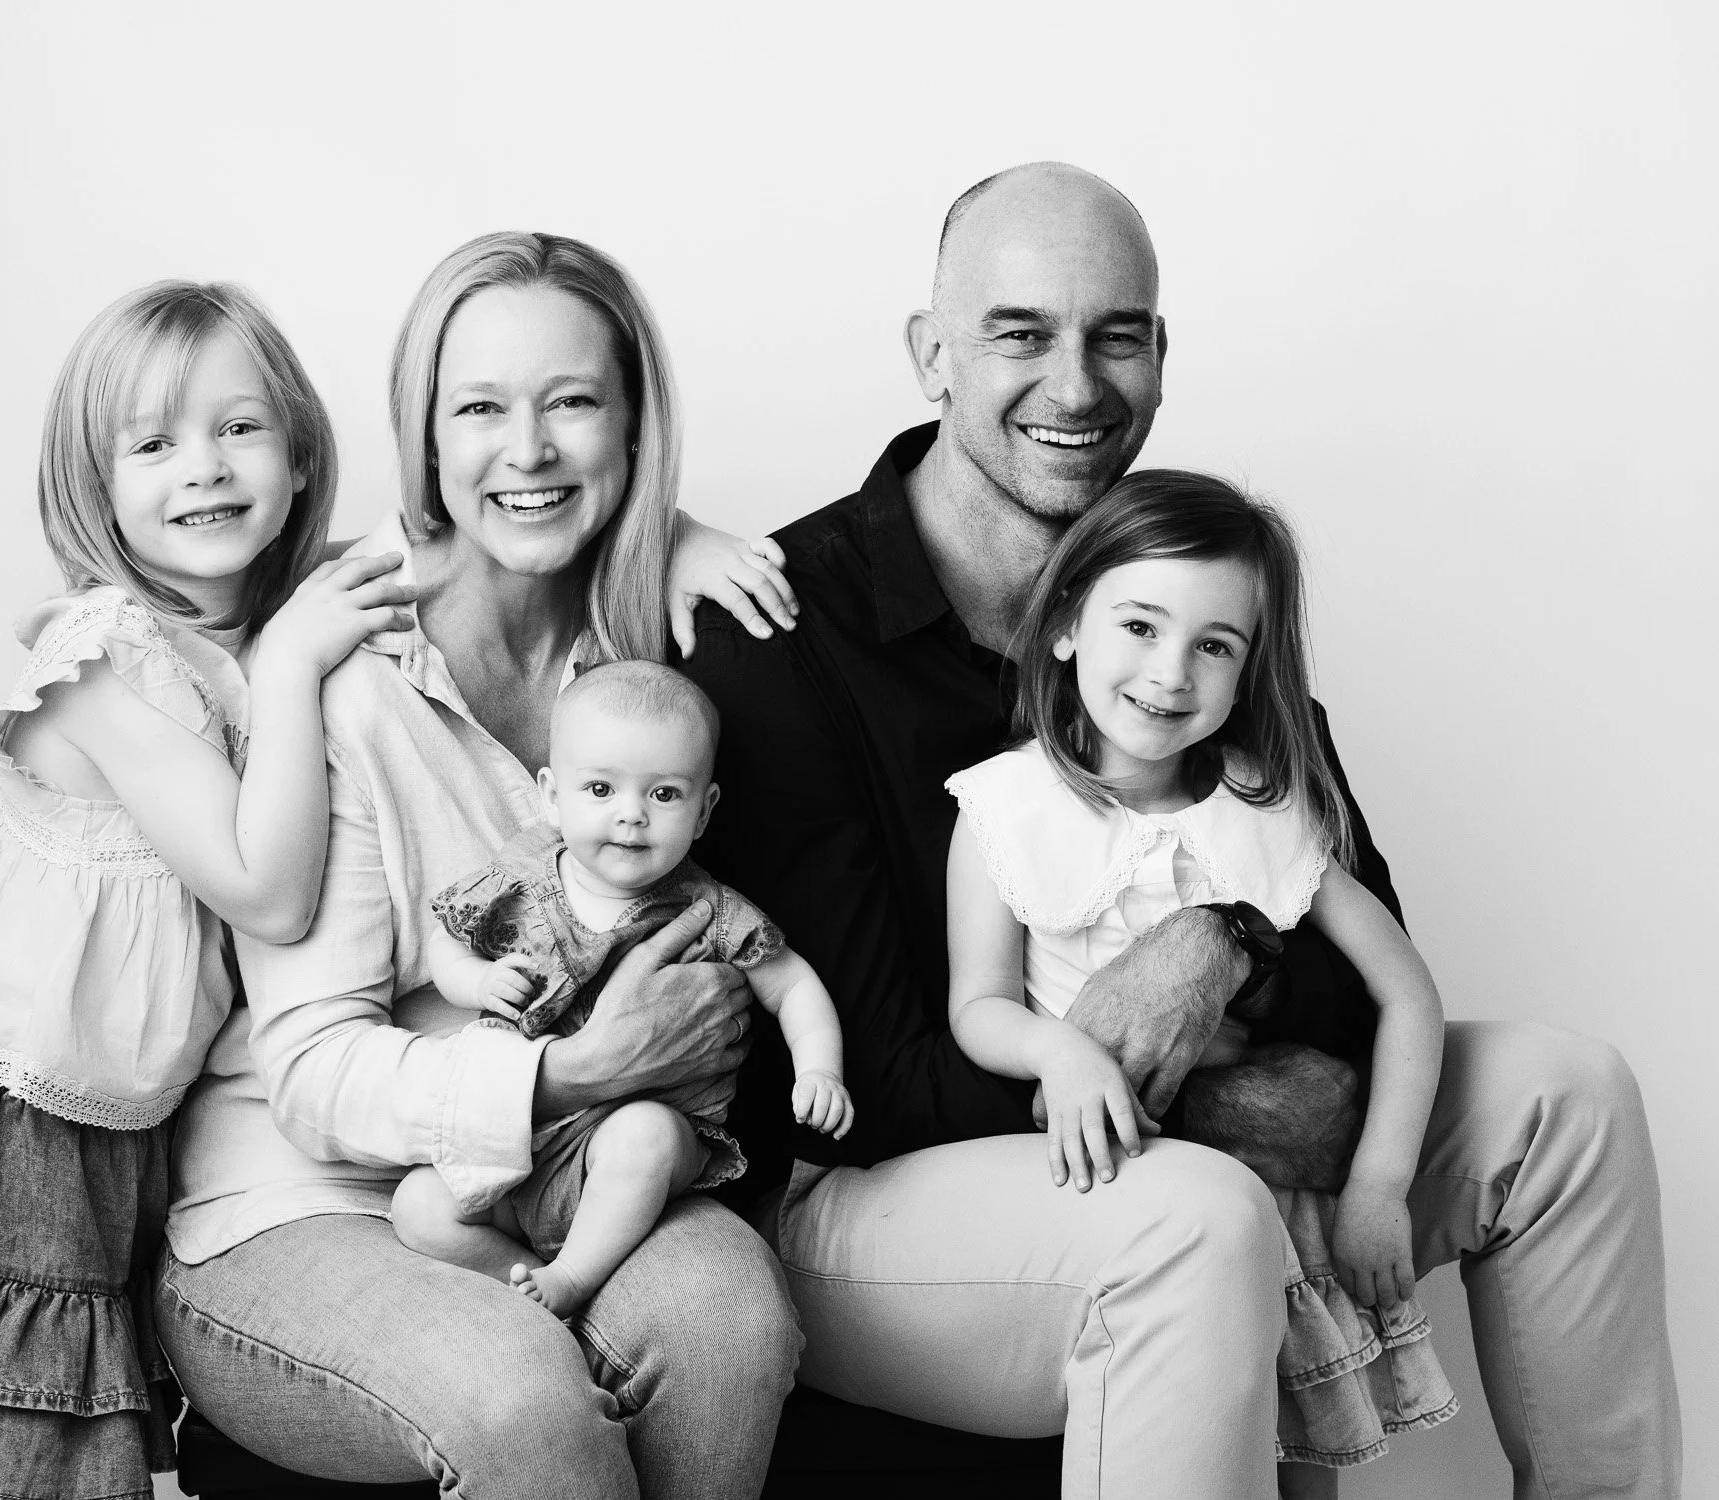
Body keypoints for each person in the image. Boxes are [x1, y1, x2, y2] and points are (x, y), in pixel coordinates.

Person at [685, 162, 1681, 1499]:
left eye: (1119, 336)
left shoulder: (1200, 612)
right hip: (882, 1201)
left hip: (1219, 1139)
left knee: (1567, 1093)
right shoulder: (782, 631)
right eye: (1021, 332)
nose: (1078, 385)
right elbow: (880, 1073)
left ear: (1161, 359)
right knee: (1199, 1215)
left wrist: (1216, 951)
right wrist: (1154, 1070)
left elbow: (1357, 955)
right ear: (930, 356)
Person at [153, 232, 802, 1500]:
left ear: (631, 426)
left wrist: (675, 532)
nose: (530, 450)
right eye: (481, 408)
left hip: (551, 1182)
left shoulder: (657, 656)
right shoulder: (349, 667)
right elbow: (310, 1073)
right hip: (299, 1202)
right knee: (522, 1405)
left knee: (733, 1327)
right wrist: (573, 1072)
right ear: (425, 434)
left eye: (572, 403)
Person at [0, 281, 413, 1500]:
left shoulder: (269, 618)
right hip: (27, 1116)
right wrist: (291, 667)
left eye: (240, 427)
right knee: (53, 1467)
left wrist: (683, 538)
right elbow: (266, 894)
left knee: (121, 1448)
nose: (204, 468)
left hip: (138, 1112)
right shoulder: (99, 667)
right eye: (152, 441)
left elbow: (495, 533)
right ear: (96, 483)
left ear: (297, 452)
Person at [946, 471, 1458, 1489]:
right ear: (1062, 627)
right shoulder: (1004, 809)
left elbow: (1407, 993)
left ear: (1244, 674)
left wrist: (1377, 1189)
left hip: (1268, 1166)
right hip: (1111, 1168)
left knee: (1300, 1450)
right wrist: (1057, 1052)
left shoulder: (1264, 808)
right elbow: (978, 1005)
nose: (1169, 673)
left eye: (1212, 647)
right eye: (1137, 626)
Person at [395, 659, 853, 1320]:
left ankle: (574, 1278)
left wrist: (821, 1070)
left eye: (664, 794)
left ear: (703, 811)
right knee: (419, 1206)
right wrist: (477, 981)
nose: (631, 816)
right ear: (552, 795)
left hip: (631, 1146)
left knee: (642, 1136)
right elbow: (447, 941)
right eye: (601, 789)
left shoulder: (708, 910)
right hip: (520, 1139)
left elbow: (794, 987)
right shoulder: (523, 871)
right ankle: (523, 1286)